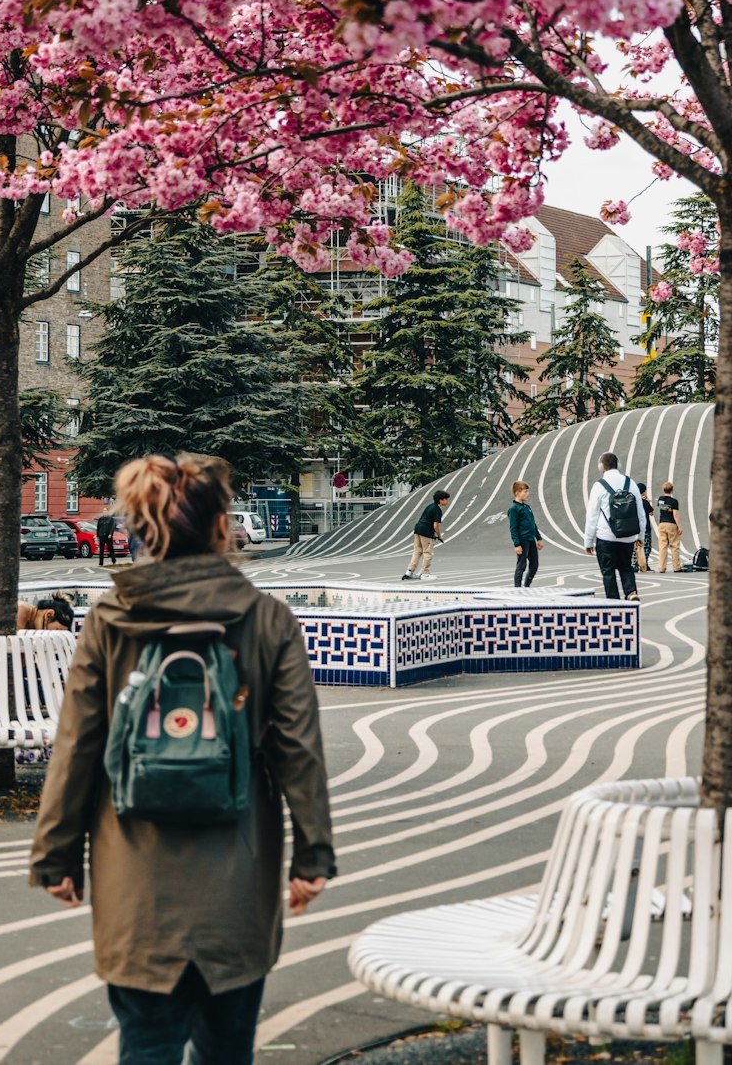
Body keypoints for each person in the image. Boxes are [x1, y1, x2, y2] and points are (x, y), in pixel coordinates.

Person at [29, 452, 335, 1065]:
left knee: (145, 1046)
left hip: (135, 884)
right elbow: (298, 747)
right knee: (227, 1052)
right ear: (223, 527)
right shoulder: (269, 621)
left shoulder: (108, 622)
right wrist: (312, 856)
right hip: (238, 883)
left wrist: (55, 855)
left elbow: (78, 746)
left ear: (140, 530)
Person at [584, 452, 645, 601]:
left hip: (606, 536)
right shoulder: (630, 483)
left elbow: (592, 515)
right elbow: (640, 513)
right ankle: (631, 592)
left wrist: (588, 541)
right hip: (628, 536)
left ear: (601, 467)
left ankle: (614, 601)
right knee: (626, 567)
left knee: (608, 571)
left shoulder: (599, 486)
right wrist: (640, 536)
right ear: (618, 465)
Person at [402, 490, 450, 582]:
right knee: (428, 552)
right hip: (426, 532)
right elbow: (435, 525)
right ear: (440, 500)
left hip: (418, 529)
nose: (447, 501)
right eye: (446, 499)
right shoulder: (437, 510)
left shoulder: (429, 506)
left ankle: (409, 572)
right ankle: (425, 573)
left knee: (417, 551)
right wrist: (439, 536)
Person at [508, 480, 543, 587]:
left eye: (527, 492)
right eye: (525, 492)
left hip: (531, 539)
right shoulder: (514, 509)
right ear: (517, 493)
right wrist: (517, 544)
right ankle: (517, 588)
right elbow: (513, 528)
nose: (527, 494)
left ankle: (526, 585)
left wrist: (539, 538)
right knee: (521, 565)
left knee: (534, 565)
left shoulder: (527, 507)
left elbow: (533, 524)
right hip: (523, 540)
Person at [656, 482, 682, 572]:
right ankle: (676, 567)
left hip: (662, 524)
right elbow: (675, 514)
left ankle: (662, 567)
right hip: (671, 524)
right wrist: (679, 526)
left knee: (663, 546)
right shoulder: (674, 501)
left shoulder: (660, 499)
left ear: (663, 490)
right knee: (674, 546)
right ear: (672, 490)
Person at [635, 483, 653, 573]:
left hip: (635, 528)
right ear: (644, 492)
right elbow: (651, 513)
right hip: (646, 528)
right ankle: (644, 565)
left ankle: (634, 565)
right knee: (647, 547)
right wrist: (647, 500)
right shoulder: (645, 503)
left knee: (635, 547)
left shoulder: (634, 502)